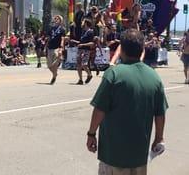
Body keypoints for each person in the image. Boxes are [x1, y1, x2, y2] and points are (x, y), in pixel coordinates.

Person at [86, 29, 168, 175]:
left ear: (121, 49)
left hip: (113, 155)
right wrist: (158, 138)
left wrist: (91, 134)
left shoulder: (114, 74)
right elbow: (160, 113)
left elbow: (100, 109)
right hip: (139, 156)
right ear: (142, 49)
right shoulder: (154, 77)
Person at [71, 19, 94, 85]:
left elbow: (91, 43)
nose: (82, 23)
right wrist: (75, 42)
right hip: (80, 49)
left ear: (86, 23)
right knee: (78, 65)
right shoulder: (83, 31)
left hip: (86, 50)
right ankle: (80, 79)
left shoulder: (90, 32)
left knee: (84, 64)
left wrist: (83, 45)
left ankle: (89, 75)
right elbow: (81, 41)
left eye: (83, 22)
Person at [46, 15, 66, 85]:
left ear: (60, 21)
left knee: (54, 64)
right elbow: (48, 38)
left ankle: (54, 77)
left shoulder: (62, 29)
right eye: (55, 19)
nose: (56, 20)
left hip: (57, 47)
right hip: (50, 47)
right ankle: (55, 74)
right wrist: (45, 46)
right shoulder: (51, 29)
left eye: (57, 19)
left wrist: (61, 48)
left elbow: (62, 39)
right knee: (49, 65)